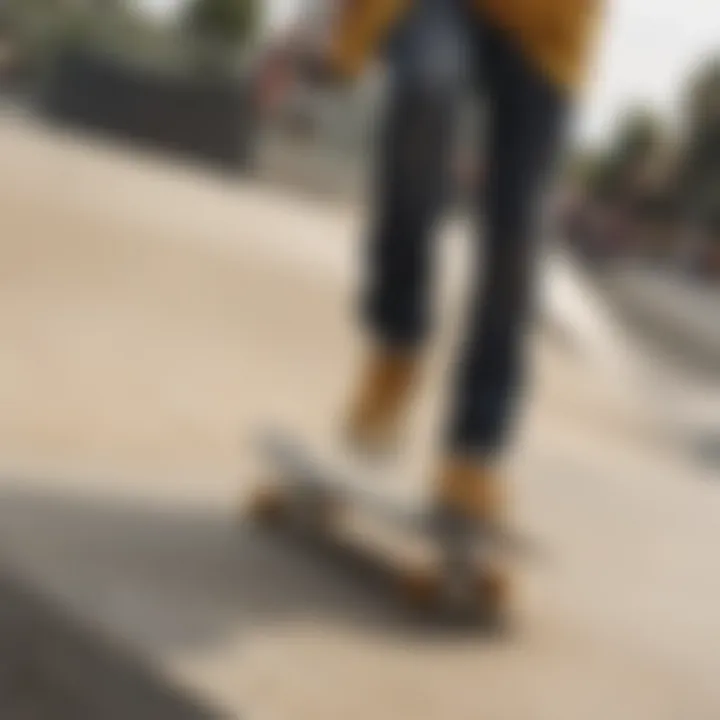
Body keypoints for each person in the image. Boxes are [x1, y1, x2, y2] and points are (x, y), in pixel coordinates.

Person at [264, 0, 603, 616]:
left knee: (517, 231)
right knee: (424, 90)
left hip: (553, 23)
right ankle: (396, 341)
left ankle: (476, 447)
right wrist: (317, 21)